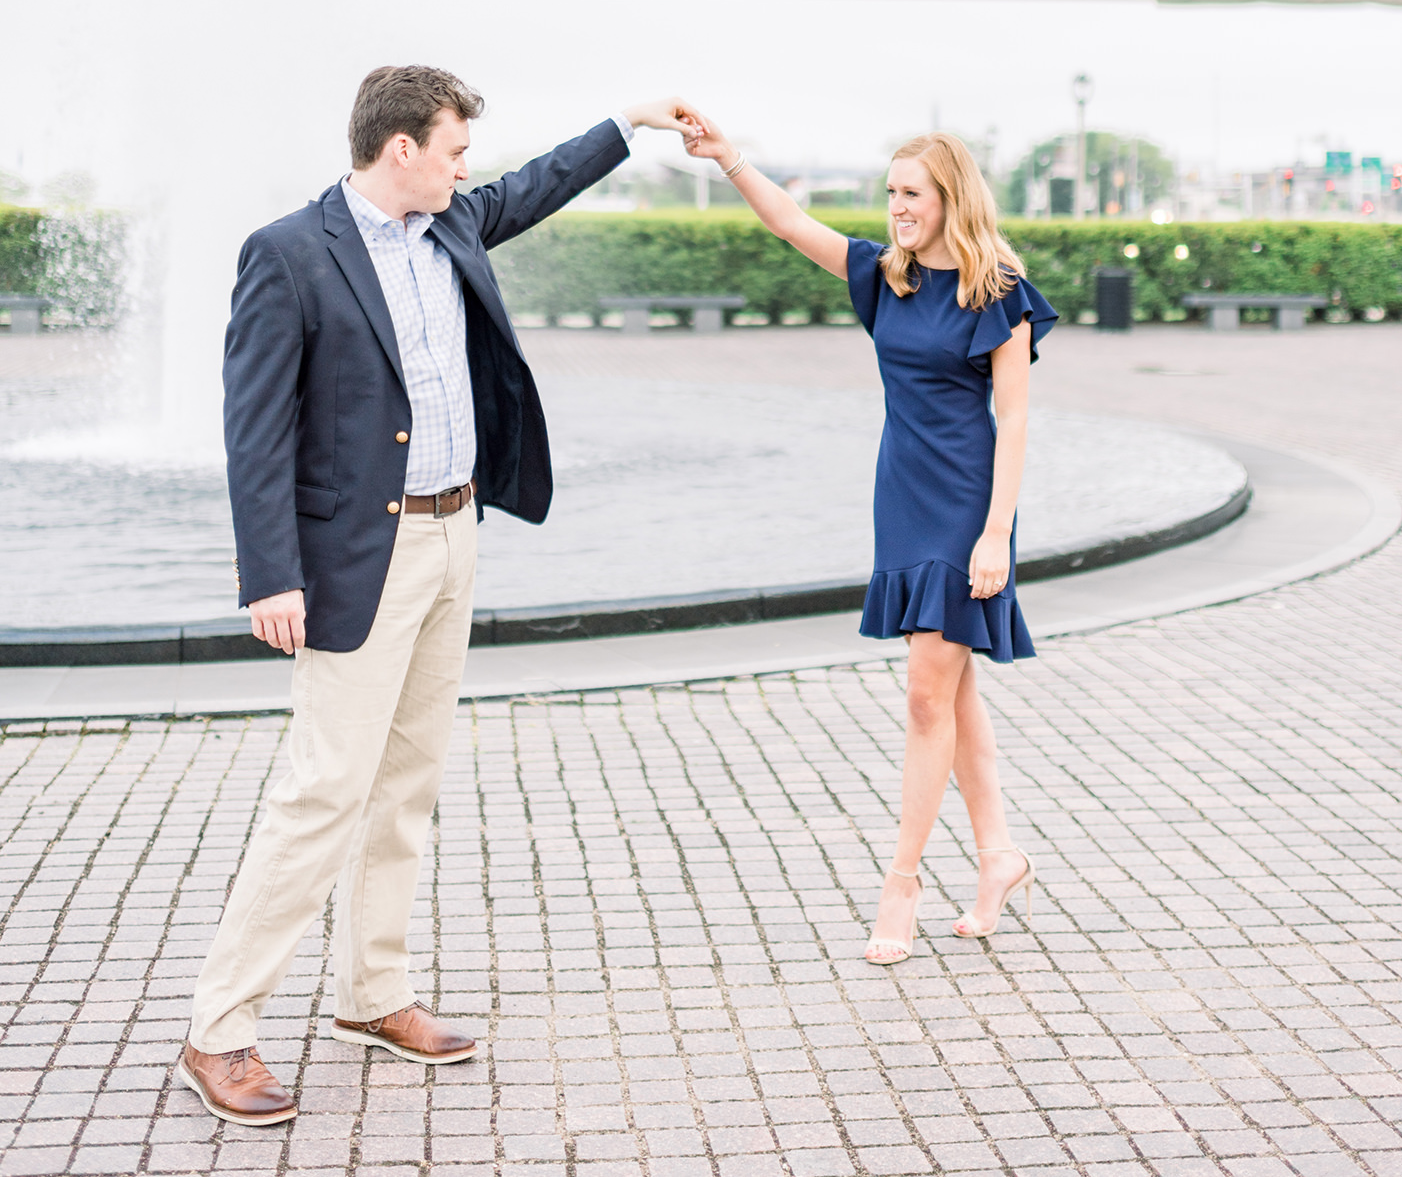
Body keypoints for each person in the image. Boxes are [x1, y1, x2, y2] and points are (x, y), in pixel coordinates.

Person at [178, 67, 692, 1127]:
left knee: (406, 784)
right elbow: (253, 428)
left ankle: (374, 997)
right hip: (356, 560)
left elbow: (536, 186)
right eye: (453, 150)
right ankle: (219, 1030)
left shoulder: (448, 224)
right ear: (399, 147)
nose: (468, 171)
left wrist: (626, 125)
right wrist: (269, 571)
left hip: (455, 534)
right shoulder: (288, 254)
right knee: (323, 792)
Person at [682, 115, 1055, 962]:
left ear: (949, 197)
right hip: (902, 499)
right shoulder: (884, 276)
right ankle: (999, 858)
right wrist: (731, 157)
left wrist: (997, 533)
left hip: (966, 508)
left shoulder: (999, 289)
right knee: (951, 691)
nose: (896, 209)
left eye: (911, 194)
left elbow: (1016, 418)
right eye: (890, 194)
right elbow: (788, 222)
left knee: (927, 694)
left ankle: (903, 882)